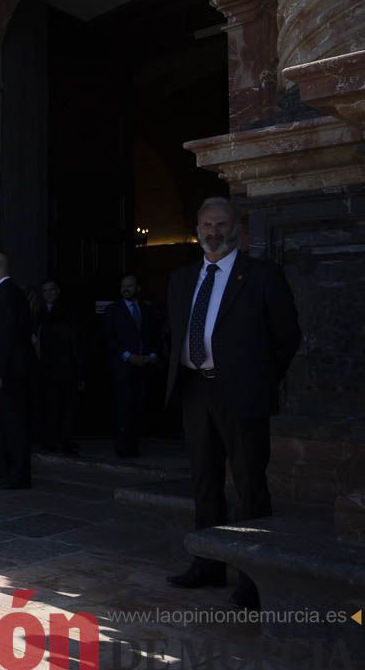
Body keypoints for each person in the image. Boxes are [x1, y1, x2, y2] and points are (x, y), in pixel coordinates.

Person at [164, 197, 301, 610]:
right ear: (197, 228)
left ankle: (255, 577)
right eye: (206, 224)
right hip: (196, 390)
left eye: (221, 224)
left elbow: (286, 337)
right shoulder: (183, 277)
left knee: (249, 483)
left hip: (242, 393)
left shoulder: (261, 275)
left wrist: (257, 379)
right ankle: (208, 564)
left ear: (237, 228)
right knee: (204, 482)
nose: (213, 231)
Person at [0, 253, 34, 489]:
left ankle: (18, 473)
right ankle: (3, 466)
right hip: (6, 371)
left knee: (14, 424)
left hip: (10, 374)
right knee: (1, 422)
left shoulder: (8, 293)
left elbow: (6, 337)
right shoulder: (6, 293)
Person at [104, 275, 162, 458]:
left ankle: (134, 443)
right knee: (123, 406)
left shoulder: (147, 310)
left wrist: (151, 356)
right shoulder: (113, 310)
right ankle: (122, 445)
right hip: (123, 365)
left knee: (139, 405)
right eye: (123, 286)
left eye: (129, 286)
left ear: (138, 288)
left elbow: (155, 336)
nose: (125, 289)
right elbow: (109, 338)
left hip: (144, 365)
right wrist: (129, 356)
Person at [36, 280, 84, 455]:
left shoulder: (68, 313)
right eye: (45, 291)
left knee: (67, 406)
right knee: (50, 405)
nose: (48, 294)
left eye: (51, 290)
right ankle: (50, 440)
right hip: (46, 368)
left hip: (66, 367)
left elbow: (75, 343)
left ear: (58, 291)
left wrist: (79, 372)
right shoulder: (38, 313)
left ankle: (65, 441)